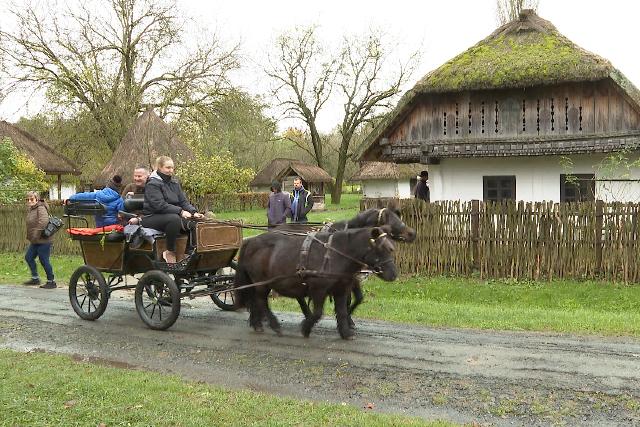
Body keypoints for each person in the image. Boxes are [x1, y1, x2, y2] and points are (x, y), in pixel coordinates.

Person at [141, 156, 203, 263]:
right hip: (151, 216)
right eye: (168, 167)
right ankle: (169, 251)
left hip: (172, 214)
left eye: (172, 168)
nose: (171, 171)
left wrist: (193, 212)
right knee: (174, 219)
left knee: (194, 222)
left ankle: (190, 253)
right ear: (159, 168)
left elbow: (183, 201)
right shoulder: (152, 184)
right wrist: (181, 211)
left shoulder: (174, 183)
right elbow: (159, 205)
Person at [23, 191, 56, 289]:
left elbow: (43, 222)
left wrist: (36, 235)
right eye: (27, 199)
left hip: (44, 240)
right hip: (35, 240)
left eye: (32, 199)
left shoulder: (40, 208)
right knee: (29, 257)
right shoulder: (32, 209)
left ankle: (51, 281)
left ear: (37, 199)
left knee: (44, 260)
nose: (29, 201)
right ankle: (35, 278)